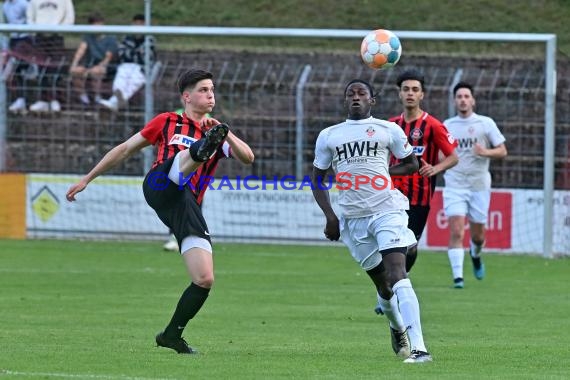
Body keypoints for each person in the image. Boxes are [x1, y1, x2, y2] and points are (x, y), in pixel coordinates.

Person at [66, 68, 255, 354]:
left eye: (212, 89)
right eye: (204, 90)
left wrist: (226, 134)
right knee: (180, 162)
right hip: (158, 183)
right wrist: (87, 178)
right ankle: (196, 152)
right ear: (186, 96)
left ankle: (171, 335)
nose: (210, 94)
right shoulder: (167, 121)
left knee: (204, 278)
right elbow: (124, 149)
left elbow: (248, 158)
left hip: (185, 203)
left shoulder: (218, 131)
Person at [311, 79, 432, 363]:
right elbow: (318, 178)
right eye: (350, 93)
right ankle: (397, 326)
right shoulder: (329, 135)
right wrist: (330, 216)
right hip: (353, 220)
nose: (355, 97)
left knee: (397, 273)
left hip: (386, 209)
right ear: (345, 101)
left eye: (361, 93)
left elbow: (412, 163)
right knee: (383, 286)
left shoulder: (388, 129)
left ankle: (419, 348)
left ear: (372, 100)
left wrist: (386, 174)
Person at [388, 70, 458, 273]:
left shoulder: (433, 126)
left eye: (415, 90)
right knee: (391, 243)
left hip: (420, 197)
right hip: (391, 195)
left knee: (410, 246)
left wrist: (435, 168)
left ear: (422, 95)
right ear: (399, 94)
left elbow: (454, 157)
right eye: (406, 89)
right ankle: (394, 284)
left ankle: (401, 277)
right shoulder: (391, 125)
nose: (410, 93)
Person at [443, 81, 507, 288]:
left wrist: (485, 152)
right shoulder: (447, 125)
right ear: (455, 101)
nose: (463, 100)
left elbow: (502, 150)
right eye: (459, 96)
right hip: (454, 184)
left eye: (466, 96)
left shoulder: (485, 123)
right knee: (456, 231)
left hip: (478, 185)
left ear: (472, 100)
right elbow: (440, 152)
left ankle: (476, 254)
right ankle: (458, 278)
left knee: (478, 236)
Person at [98, 13, 156, 112]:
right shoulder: (127, 37)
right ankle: (118, 100)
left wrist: (132, 54)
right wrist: (136, 53)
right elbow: (122, 54)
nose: (138, 26)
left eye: (141, 24)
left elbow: (146, 57)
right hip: (126, 65)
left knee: (134, 81)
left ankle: (113, 102)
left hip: (141, 67)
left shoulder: (150, 39)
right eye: (136, 23)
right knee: (121, 76)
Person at [26, 0, 75, 112]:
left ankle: (55, 100)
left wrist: (60, 30)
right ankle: (43, 100)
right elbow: (30, 17)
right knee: (41, 68)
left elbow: (69, 17)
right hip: (40, 37)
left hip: (56, 37)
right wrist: (35, 31)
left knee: (55, 68)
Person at [69, 13, 117, 106]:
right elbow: (81, 50)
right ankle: (84, 98)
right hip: (89, 65)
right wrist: (74, 64)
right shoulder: (88, 36)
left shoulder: (111, 38)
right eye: (94, 24)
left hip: (107, 66)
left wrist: (100, 66)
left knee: (96, 72)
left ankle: (97, 98)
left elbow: (108, 57)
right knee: (76, 71)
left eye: (99, 23)